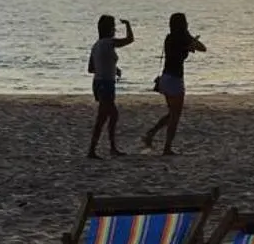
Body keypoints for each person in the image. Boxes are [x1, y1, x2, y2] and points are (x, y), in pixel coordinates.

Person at [144, 12, 205, 155]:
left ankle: (151, 134)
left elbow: (175, 52)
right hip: (176, 79)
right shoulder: (183, 38)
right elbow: (203, 48)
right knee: (175, 116)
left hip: (165, 77)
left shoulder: (169, 38)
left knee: (172, 113)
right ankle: (166, 147)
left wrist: (188, 45)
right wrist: (191, 42)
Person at [86, 14, 132, 158]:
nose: (115, 29)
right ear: (109, 28)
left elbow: (91, 68)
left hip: (99, 83)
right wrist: (128, 24)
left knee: (108, 115)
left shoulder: (97, 45)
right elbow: (129, 40)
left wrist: (112, 67)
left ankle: (108, 148)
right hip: (105, 83)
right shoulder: (109, 42)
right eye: (114, 26)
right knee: (107, 116)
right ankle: (96, 150)